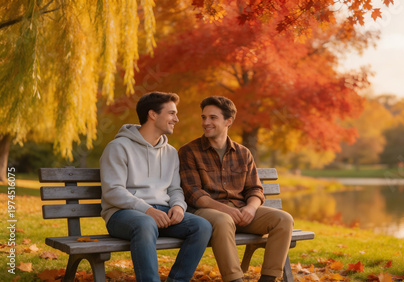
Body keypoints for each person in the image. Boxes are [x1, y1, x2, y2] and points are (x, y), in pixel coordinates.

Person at [178, 96, 294, 282]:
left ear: (228, 121)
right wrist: (227, 210)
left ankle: (268, 278)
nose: (206, 122)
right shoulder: (189, 151)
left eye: (213, 117)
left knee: (283, 219)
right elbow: (194, 194)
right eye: (203, 117)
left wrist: (250, 208)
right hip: (207, 212)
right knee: (223, 219)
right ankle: (234, 279)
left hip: (241, 212)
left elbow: (255, 189)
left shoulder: (243, 152)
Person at [100, 92, 212, 282]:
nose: (176, 119)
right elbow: (113, 191)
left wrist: (178, 206)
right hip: (123, 214)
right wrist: (147, 210)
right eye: (171, 113)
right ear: (152, 114)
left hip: (162, 213)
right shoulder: (118, 147)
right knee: (145, 223)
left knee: (202, 226)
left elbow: (175, 189)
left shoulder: (170, 152)